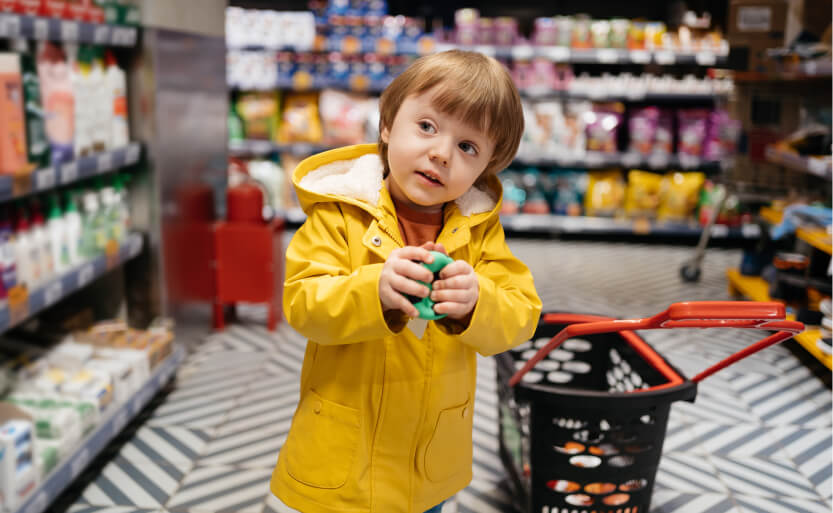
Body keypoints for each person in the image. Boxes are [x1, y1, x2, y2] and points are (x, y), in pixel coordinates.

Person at [269, 49, 542, 513]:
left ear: (486, 168)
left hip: (427, 457)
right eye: (428, 127)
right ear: (388, 125)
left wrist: (479, 300)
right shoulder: (339, 214)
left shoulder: (478, 229)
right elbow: (303, 303)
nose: (440, 153)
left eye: (468, 147)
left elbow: (522, 316)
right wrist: (372, 289)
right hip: (345, 458)